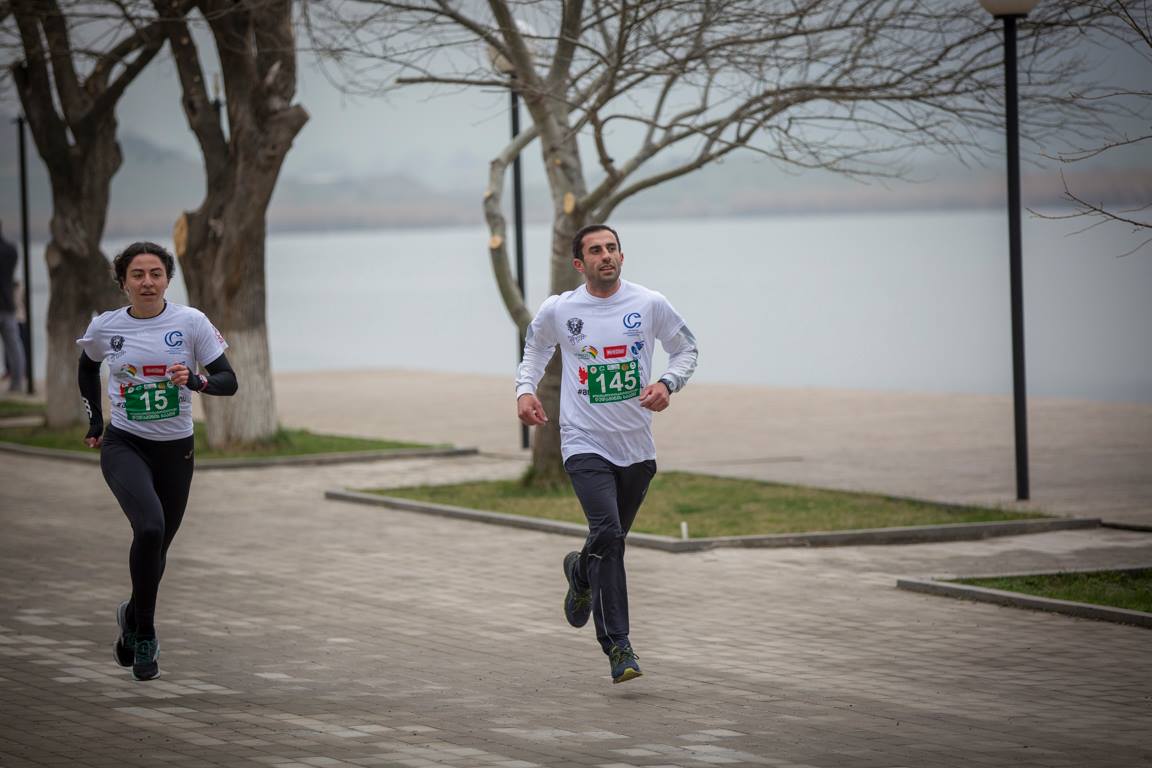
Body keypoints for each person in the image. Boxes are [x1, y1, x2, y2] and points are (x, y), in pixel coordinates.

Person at [516, 224, 698, 684]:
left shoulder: (649, 303)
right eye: (596, 250)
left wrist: (667, 383)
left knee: (606, 543)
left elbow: (686, 350)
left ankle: (580, 571)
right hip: (583, 441)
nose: (606, 256)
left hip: (636, 447)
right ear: (580, 264)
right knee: (609, 535)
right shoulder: (561, 309)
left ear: (622, 255)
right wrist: (525, 389)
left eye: (612, 248)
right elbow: (536, 348)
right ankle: (619, 646)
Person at [76, 242, 238, 681]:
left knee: (158, 547)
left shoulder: (191, 322)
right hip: (125, 445)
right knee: (149, 527)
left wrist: (197, 381)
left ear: (167, 279)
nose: (147, 282)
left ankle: (131, 616)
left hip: (176, 451)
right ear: (123, 282)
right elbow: (87, 368)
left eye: (155, 274)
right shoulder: (106, 327)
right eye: (137, 274)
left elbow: (229, 381)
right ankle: (145, 634)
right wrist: (95, 420)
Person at [0, 220, 26, 394]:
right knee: (14, 346)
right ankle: (17, 383)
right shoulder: (11, 250)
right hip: (8, 303)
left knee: (14, 345)